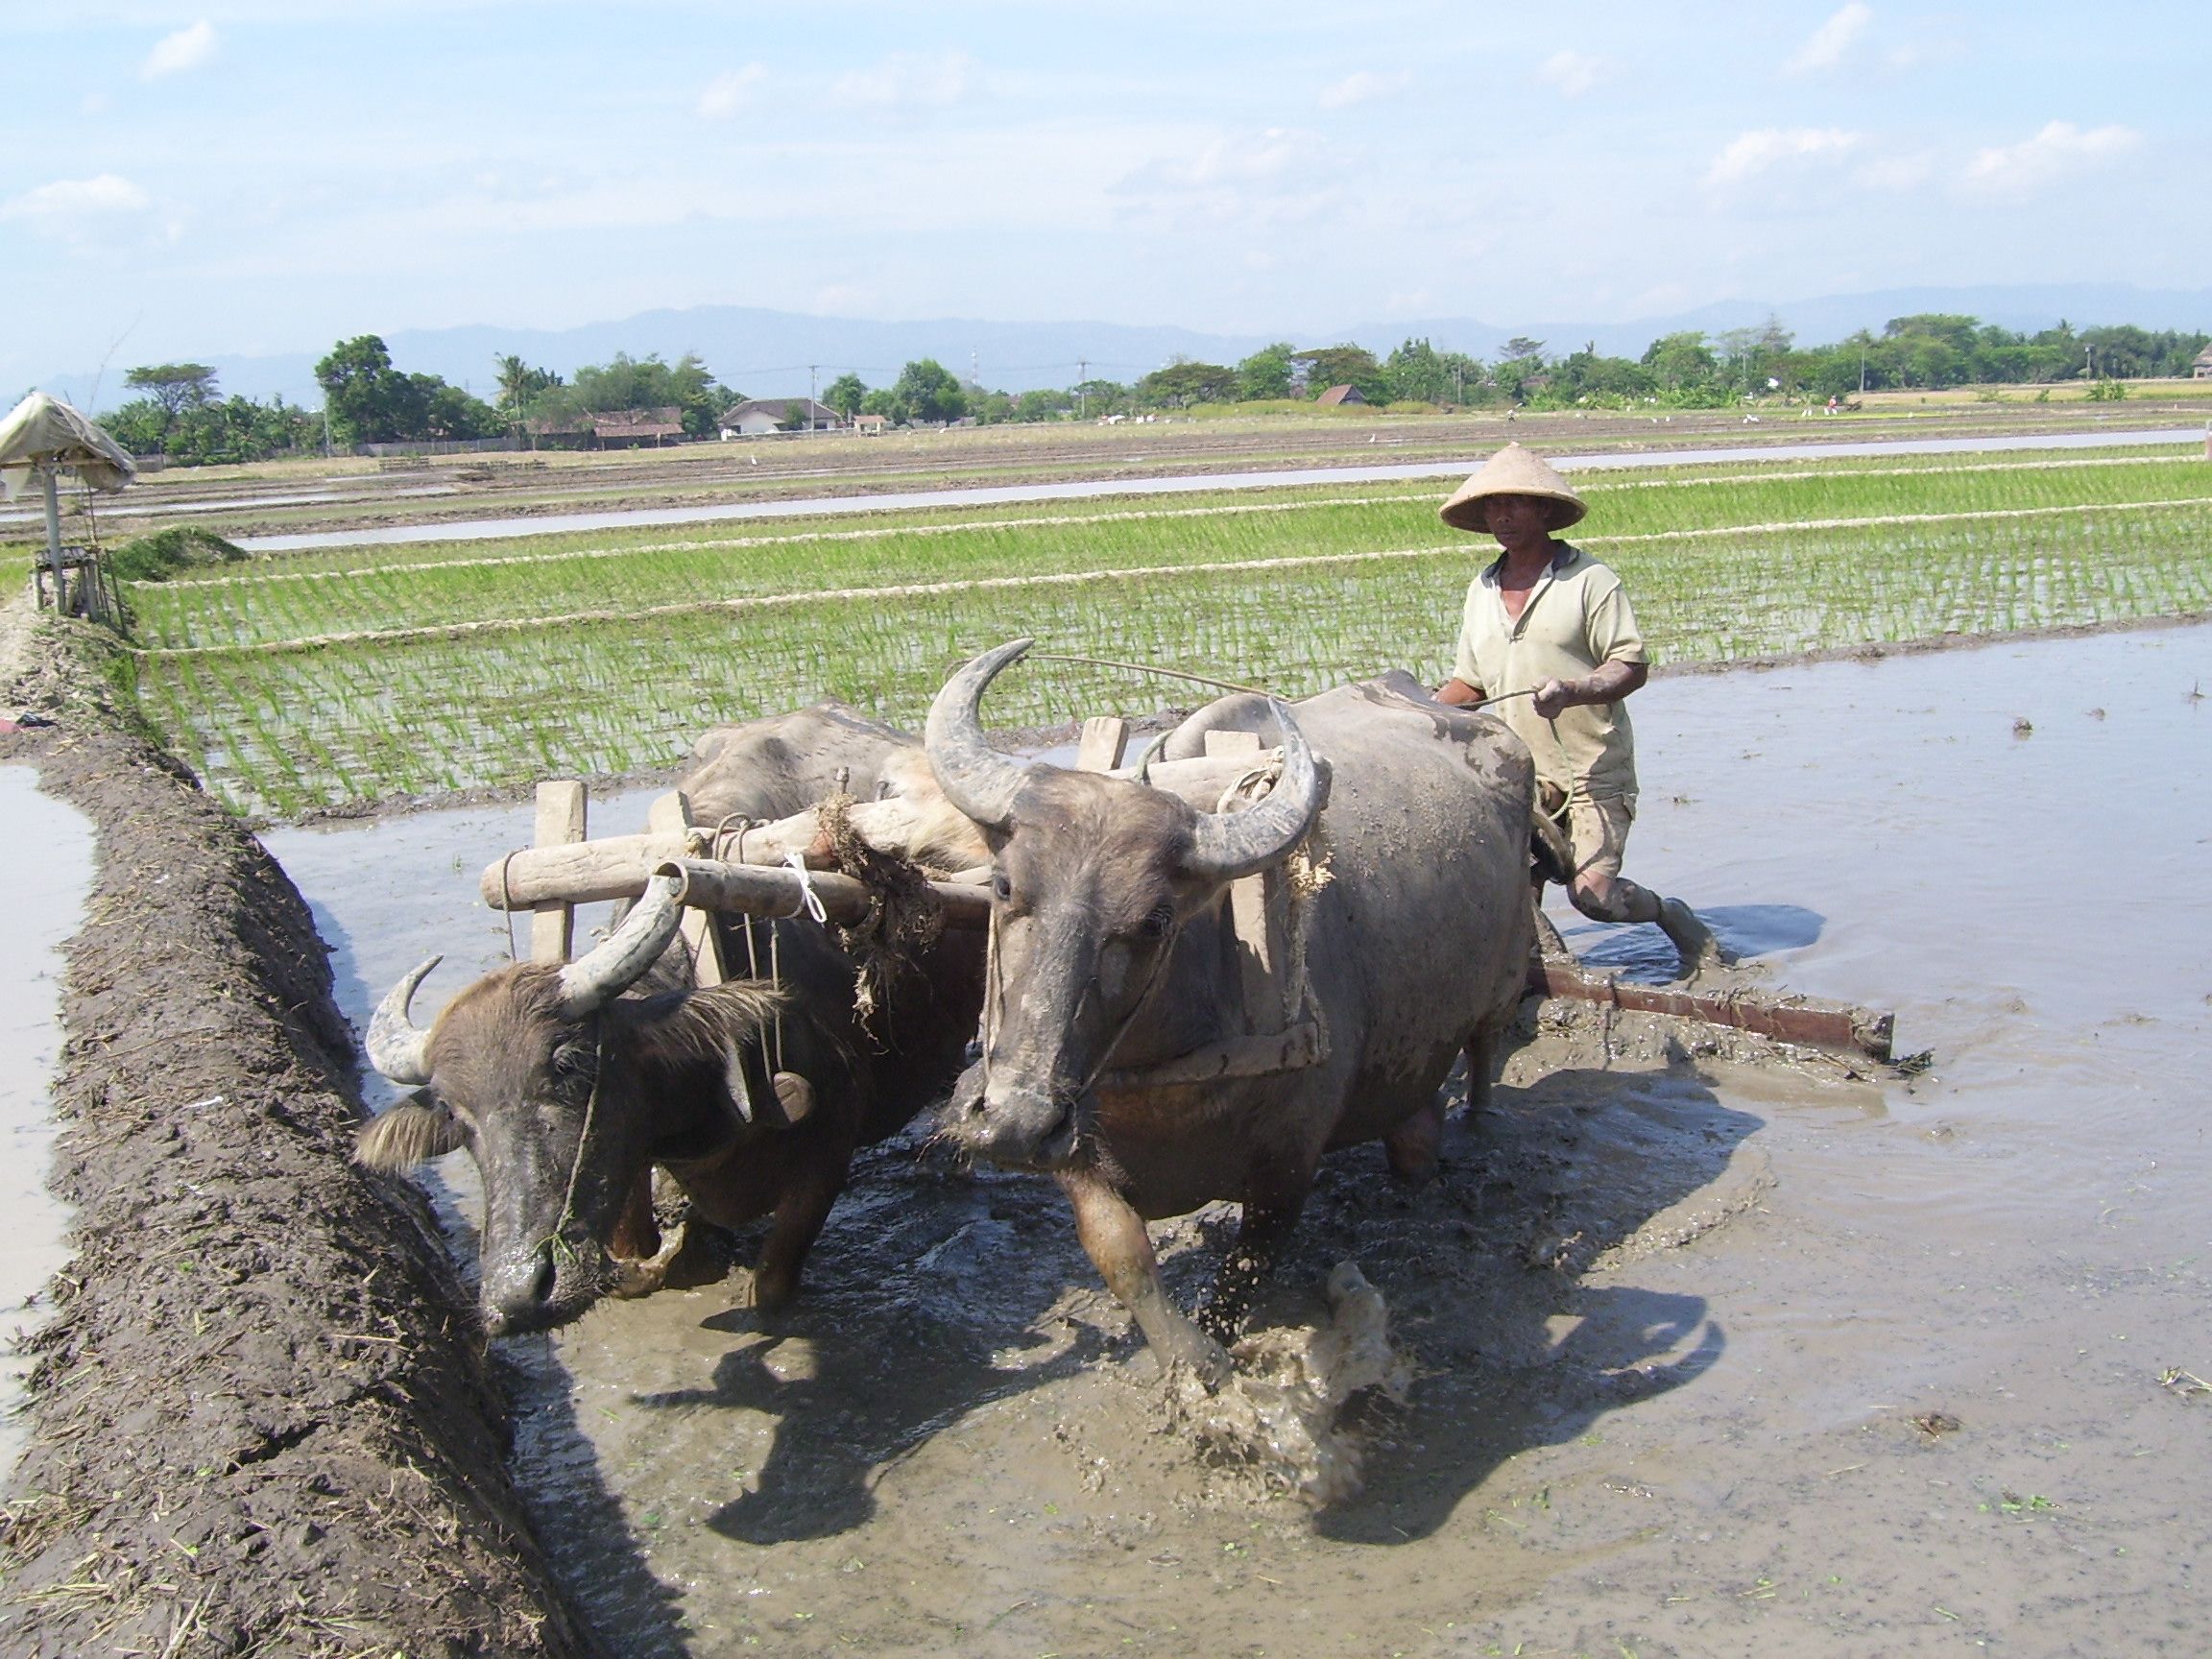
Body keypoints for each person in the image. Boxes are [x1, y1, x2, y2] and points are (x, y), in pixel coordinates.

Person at [1431, 443, 1722, 976]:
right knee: (1513, 894)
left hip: (1591, 767)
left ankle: (1668, 913)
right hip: (1518, 772)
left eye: (1515, 504)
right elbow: (1469, 684)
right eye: (1493, 507)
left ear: (1544, 510)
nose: (1502, 517)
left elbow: (1629, 667)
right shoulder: (1482, 587)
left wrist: (1574, 690)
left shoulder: (1590, 580)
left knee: (1594, 897)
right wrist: (1416, 707)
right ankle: (1536, 978)